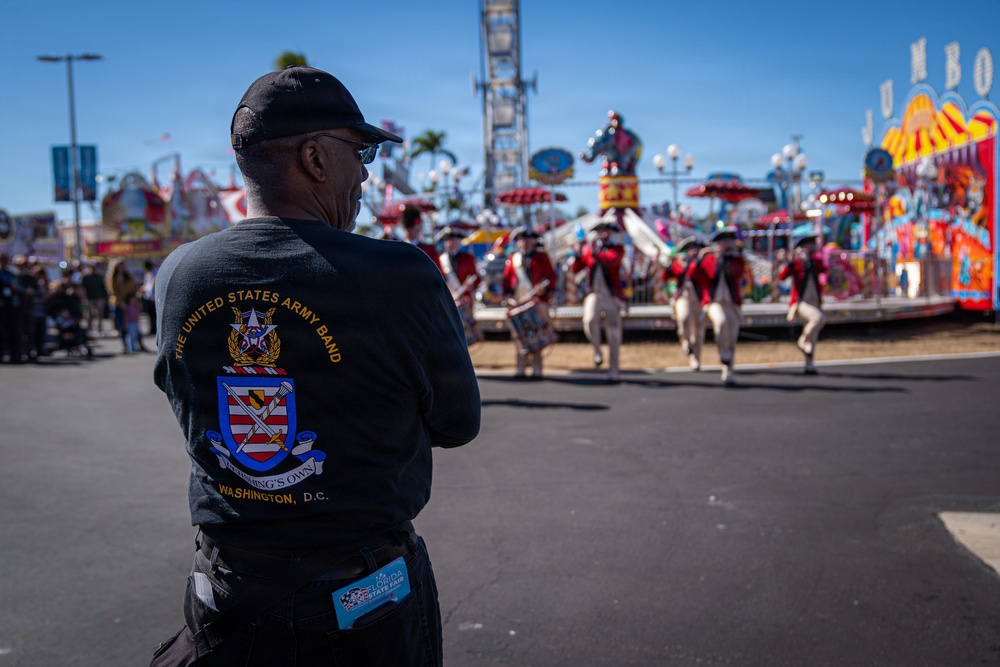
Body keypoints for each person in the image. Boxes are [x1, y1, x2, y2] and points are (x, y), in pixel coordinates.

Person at [151, 65, 480, 667]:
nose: (365, 173)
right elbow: (458, 423)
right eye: (362, 152)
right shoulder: (400, 275)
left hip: (228, 591)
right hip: (365, 597)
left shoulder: (178, 274)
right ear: (315, 158)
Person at [570, 221, 628, 382]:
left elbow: (610, 261)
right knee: (589, 321)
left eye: (607, 232)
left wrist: (591, 249)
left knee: (614, 334)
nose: (604, 234)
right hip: (594, 293)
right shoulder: (590, 249)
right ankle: (597, 350)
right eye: (602, 232)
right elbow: (577, 268)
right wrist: (578, 253)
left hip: (612, 295)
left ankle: (614, 371)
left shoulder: (617, 249)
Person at [501, 226, 557, 379]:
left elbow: (551, 277)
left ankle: (537, 369)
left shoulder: (542, 257)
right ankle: (520, 368)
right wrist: (507, 296)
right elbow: (506, 280)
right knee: (519, 334)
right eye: (522, 240)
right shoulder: (513, 259)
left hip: (536, 301)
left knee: (536, 333)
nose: (525, 242)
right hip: (518, 301)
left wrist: (543, 289)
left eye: (528, 239)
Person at [692, 227, 746, 385]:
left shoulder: (737, 259)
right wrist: (701, 259)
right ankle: (722, 353)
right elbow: (695, 275)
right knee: (721, 322)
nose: (727, 244)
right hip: (714, 302)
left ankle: (728, 371)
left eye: (730, 241)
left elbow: (738, 273)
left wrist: (736, 254)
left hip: (732, 303)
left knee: (732, 337)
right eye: (724, 241)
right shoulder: (710, 259)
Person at [778, 235, 827, 374]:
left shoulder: (815, 261)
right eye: (810, 245)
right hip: (801, 302)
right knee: (818, 319)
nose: (812, 247)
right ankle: (802, 341)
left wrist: (809, 261)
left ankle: (809, 365)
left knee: (813, 335)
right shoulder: (796, 262)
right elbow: (782, 277)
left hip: (814, 300)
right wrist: (791, 261)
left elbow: (823, 268)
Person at [663, 236, 708, 370]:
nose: (694, 251)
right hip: (683, 297)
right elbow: (667, 275)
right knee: (683, 318)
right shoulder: (680, 262)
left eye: (696, 249)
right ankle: (685, 342)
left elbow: (697, 273)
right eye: (691, 249)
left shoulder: (705, 262)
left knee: (698, 331)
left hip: (700, 300)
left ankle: (696, 359)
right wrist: (668, 263)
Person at [437, 226, 482, 346]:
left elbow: (476, 279)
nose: (451, 242)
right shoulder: (439, 260)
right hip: (447, 300)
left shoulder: (468, 257)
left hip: (465, 301)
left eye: (454, 239)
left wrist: (470, 286)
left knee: (466, 334)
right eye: (448, 240)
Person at [0, 252, 24, 363]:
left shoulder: (11, 274)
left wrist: (16, 288)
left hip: (12, 307)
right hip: (2, 307)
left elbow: (20, 289)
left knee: (14, 331)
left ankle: (15, 355)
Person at [400, 205, 441, 270]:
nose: (410, 231)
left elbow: (437, 273)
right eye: (409, 228)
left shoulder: (429, 250)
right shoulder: (398, 249)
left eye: (413, 228)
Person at [81, 261, 109, 337]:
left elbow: (103, 288)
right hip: (89, 297)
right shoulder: (86, 277)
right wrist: (84, 298)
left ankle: (100, 330)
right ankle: (89, 330)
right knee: (89, 315)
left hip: (99, 297)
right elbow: (83, 288)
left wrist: (105, 298)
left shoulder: (99, 277)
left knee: (100, 314)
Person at [141, 259, 157, 337]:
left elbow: (152, 286)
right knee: (149, 315)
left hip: (153, 297)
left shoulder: (155, 273)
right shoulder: (147, 274)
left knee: (154, 316)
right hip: (148, 297)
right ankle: (151, 329)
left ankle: (154, 329)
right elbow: (147, 285)